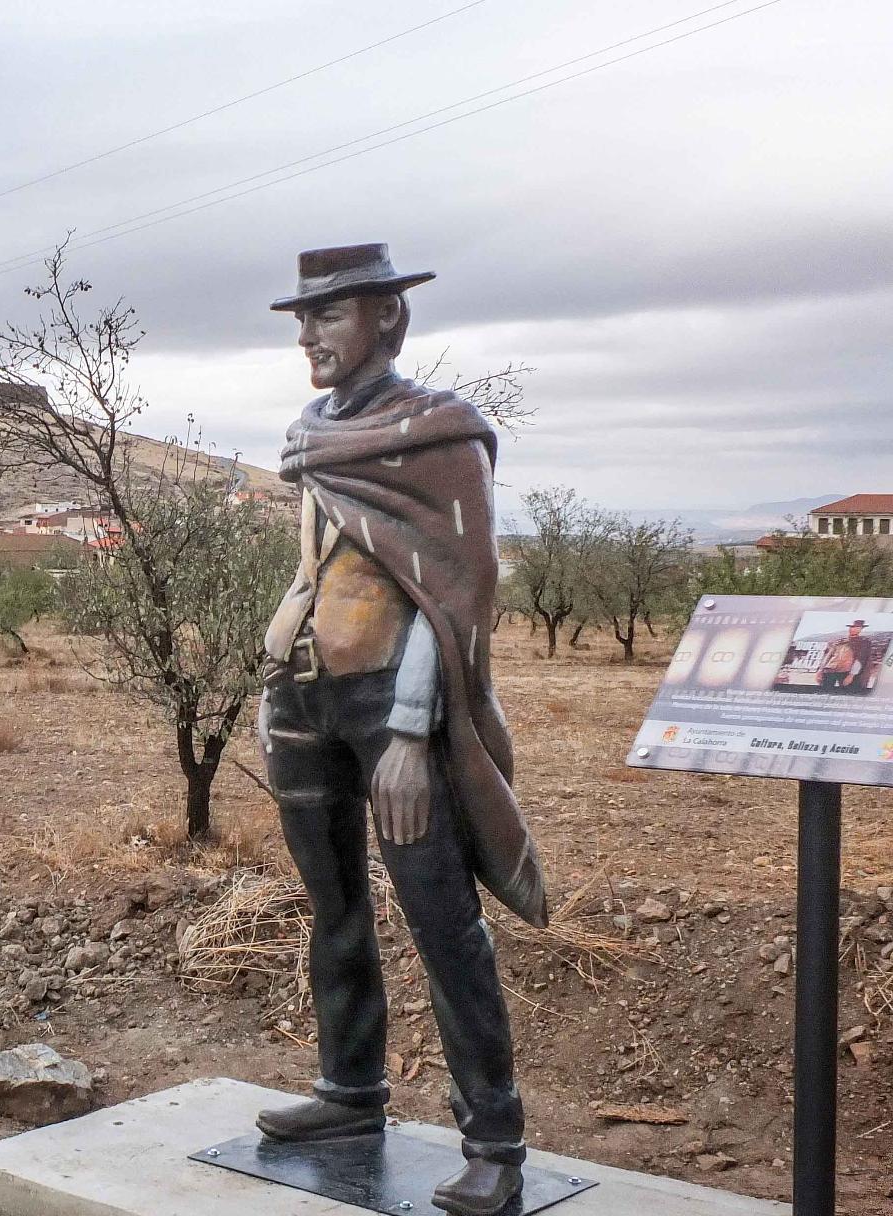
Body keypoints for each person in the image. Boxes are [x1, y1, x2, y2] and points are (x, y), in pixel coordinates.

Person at [252, 245, 548, 1216]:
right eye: (302, 317)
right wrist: (270, 688)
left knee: (440, 916)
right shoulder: (309, 431)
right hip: (304, 700)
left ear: (385, 317)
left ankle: (494, 1139)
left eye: (327, 315)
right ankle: (349, 1091)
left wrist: (416, 733)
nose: (307, 334)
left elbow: (453, 595)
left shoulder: (440, 434)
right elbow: (318, 568)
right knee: (332, 899)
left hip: (394, 703)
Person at [819, 620, 872, 690]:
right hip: (829, 670)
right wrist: (820, 670)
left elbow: (860, 659)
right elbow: (828, 656)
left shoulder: (863, 642)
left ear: (861, 629)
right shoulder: (840, 641)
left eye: (857, 627)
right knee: (825, 691)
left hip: (846, 672)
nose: (853, 629)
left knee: (847, 692)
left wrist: (851, 675)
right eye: (852, 627)